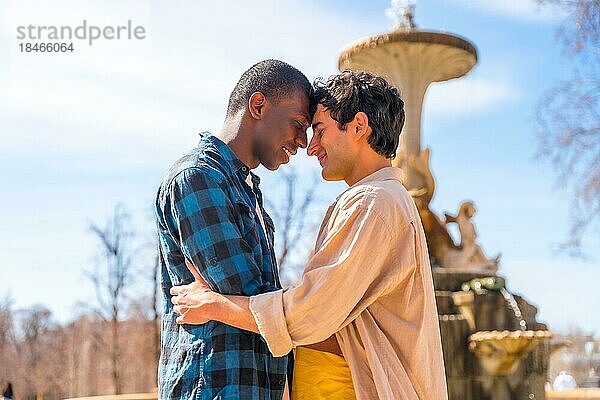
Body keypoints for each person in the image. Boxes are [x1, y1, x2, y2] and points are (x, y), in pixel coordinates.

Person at [171, 71, 448, 400]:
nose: (310, 146)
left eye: (319, 130)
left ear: (358, 126)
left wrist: (215, 305)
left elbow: (310, 313)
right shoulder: (378, 201)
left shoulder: (373, 203)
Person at [155, 59, 313, 400]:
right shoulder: (198, 179)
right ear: (257, 106)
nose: (303, 141)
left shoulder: (244, 187)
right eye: (298, 124)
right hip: (212, 386)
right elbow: (253, 298)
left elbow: (262, 311)